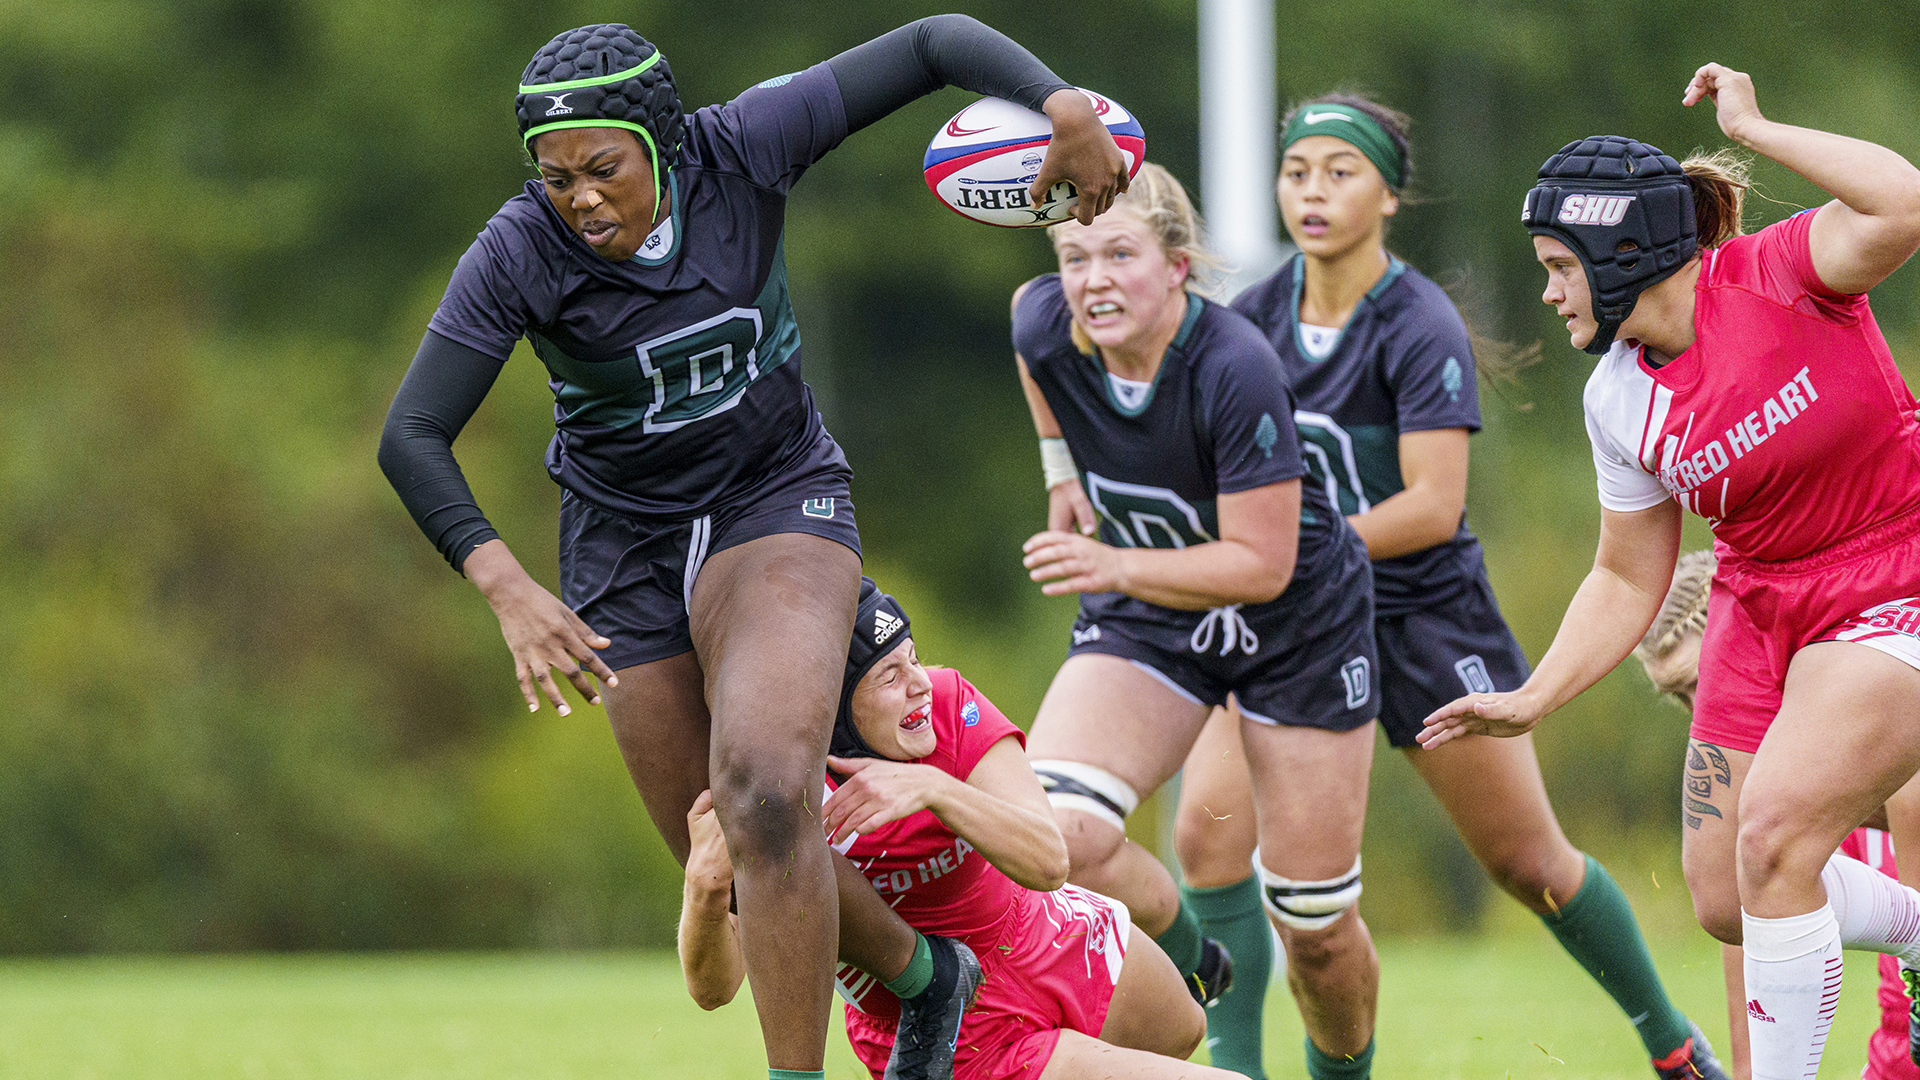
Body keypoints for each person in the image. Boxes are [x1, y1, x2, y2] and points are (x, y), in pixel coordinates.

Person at [376, 19, 1130, 1080]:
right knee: (718, 856)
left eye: (602, 169)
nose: (580, 198)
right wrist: (506, 588)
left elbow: (932, 43)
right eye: (555, 178)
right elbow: (411, 435)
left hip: (773, 498)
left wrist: (1061, 103)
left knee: (766, 790)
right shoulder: (518, 249)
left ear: (663, 143)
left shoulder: (745, 144)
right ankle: (926, 977)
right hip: (621, 549)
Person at [1169, 92, 1720, 1080]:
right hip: (1285, 626)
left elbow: (1429, 506)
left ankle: (1671, 1044)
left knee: (1530, 865)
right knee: (1209, 855)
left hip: (1419, 617)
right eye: (1298, 172)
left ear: (1389, 195)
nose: (1314, 191)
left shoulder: (1416, 322)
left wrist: (1287, 548)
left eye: (1340, 172)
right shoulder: (1246, 321)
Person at [1420, 62, 1920, 1080]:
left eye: (1559, 265)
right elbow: (1621, 575)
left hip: (1893, 568)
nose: (1549, 292)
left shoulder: (1783, 271)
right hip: (1759, 600)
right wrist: (1533, 698)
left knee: (1777, 836)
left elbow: (1904, 201)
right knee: (1726, 897)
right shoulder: (1616, 400)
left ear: (1621, 252)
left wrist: (1757, 126)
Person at [1011, 162, 1386, 1080]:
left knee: (1316, 928)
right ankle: (1194, 960)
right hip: (1152, 618)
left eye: (1120, 254)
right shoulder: (1042, 323)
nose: (1093, 280)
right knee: (1055, 840)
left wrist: (1110, 563)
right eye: (1075, 256)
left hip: (1299, 626)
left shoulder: (1234, 365)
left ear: (1178, 266)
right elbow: (1033, 353)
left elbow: (1263, 564)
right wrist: (1062, 470)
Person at [678, 578, 1247, 1080]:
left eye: (914, 659)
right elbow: (713, 990)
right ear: (832, 713)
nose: (919, 684)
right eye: (889, 677)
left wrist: (935, 790)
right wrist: (705, 891)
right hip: (950, 1023)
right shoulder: (776, 792)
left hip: (1044, 933)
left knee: (1183, 1028)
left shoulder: (948, 701)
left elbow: (1049, 859)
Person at [1636, 550, 1920, 1080]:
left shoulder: (1882, 714)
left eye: (1705, 679)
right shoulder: (1766, 815)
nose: (1706, 710)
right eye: (1682, 695)